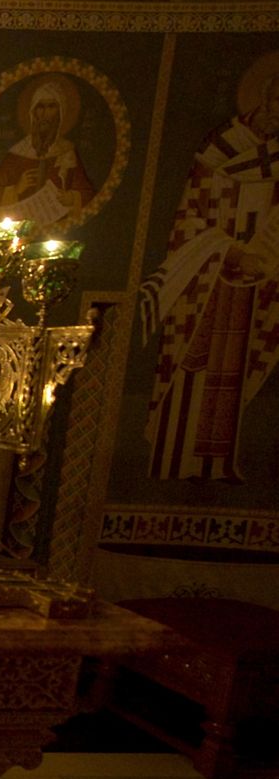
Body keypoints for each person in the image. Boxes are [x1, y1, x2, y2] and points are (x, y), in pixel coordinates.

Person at [140, 70, 279, 482]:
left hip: (257, 284)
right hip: (208, 281)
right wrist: (231, 251)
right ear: (264, 100)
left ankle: (218, 461)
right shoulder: (221, 147)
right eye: (277, 102)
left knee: (234, 374)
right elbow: (192, 217)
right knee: (195, 368)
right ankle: (175, 459)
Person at [0, 76, 95, 227]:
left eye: (51, 107)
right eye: (40, 107)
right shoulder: (18, 152)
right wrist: (16, 189)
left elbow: (87, 192)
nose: (44, 114)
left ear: (60, 112)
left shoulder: (67, 151)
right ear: (33, 112)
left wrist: (72, 197)